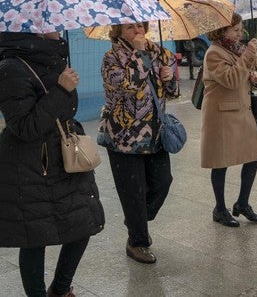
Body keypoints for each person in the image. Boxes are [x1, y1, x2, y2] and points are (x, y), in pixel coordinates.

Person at [0, 31, 105, 296]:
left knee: (83, 224)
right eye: (52, 23)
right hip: (31, 164)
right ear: (32, 26)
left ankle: (59, 289)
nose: (58, 28)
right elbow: (24, 127)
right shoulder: (11, 67)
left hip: (65, 156)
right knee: (35, 236)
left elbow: (66, 111)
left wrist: (63, 88)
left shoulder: (55, 57)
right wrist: (60, 90)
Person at [97, 22, 179, 264]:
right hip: (123, 136)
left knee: (163, 182)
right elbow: (126, 85)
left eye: (140, 26)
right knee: (133, 192)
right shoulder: (111, 57)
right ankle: (137, 241)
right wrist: (139, 54)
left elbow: (172, 93)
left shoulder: (160, 52)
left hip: (155, 134)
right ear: (119, 31)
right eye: (130, 27)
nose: (137, 31)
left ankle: (137, 218)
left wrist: (169, 77)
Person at [201, 13, 257, 228]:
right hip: (221, 115)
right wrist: (247, 56)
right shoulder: (214, 53)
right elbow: (230, 79)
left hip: (241, 111)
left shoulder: (234, 49)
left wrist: (252, 78)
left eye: (241, 29)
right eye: (235, 30)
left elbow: (240, 76)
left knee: (254, 156)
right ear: (222, 31)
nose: (240, 34)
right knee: (221, 163)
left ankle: (242, 203)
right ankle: (219, 209)